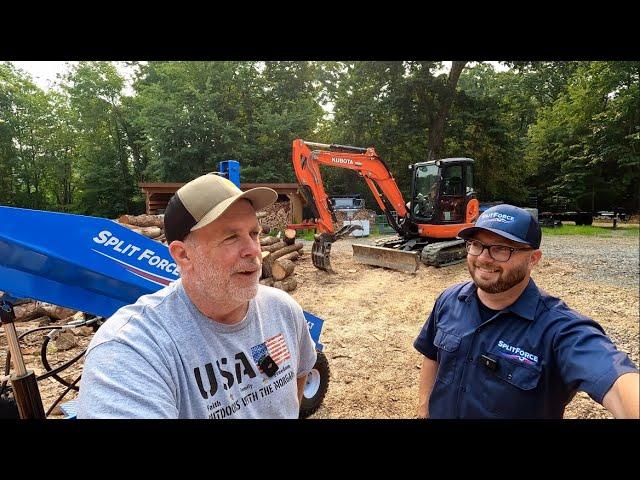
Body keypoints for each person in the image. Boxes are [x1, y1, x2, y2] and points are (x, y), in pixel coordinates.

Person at [77, 173, 317, 418]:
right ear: (183, 255)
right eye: (231, 237)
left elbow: (299, 375)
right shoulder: (134, 349)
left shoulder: (282, 310)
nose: (254, 250)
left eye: (254, 233)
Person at [414, 204, 639, 419]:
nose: (483, 257)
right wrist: (424, 408)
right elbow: (431, 355)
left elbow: (617, 384)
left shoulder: (559, 330)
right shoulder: (449, 300)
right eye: (476, 244)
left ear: (533, 259)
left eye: (501, 248)